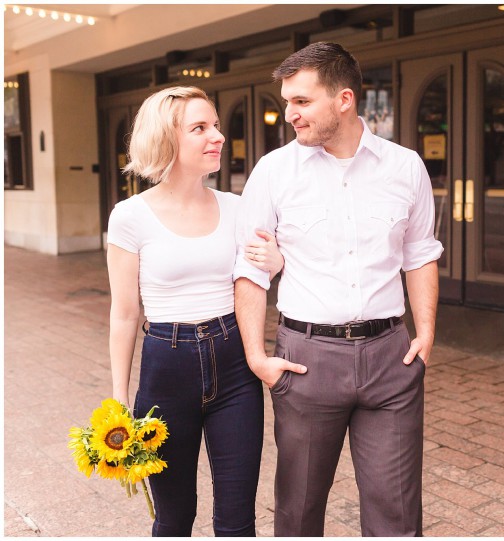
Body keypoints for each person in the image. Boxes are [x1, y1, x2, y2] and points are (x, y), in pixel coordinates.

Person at [233, 42, 443, 537]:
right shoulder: (274, 172)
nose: (290, 115)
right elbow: (250, 270)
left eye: (302, 102)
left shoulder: (405, 166)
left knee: (397, 514)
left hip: (391, 359)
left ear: (344, 100)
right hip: (307, 359)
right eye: (287, 102)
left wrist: (427, 331)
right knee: (299, 511)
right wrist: (257, 357)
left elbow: (420, 254)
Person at [106, 86, 283, 537]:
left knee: (238, 521)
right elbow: (125, 314)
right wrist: (118, 399)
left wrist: (278, 263)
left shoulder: (239, 208)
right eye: (200, 128)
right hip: (167, 368)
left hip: (235, 368)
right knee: (173, 517)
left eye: (217, 125)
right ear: (167, 140)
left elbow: (262, 277)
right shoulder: (130, 217)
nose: (218, 136)